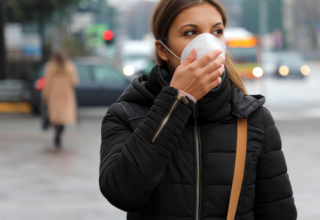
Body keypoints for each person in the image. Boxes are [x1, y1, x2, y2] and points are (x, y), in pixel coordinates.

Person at [99, 0, 297, 219]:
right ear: (163, 50)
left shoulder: (254, 119)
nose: (208, 43)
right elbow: (122, 193)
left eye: (217, 31)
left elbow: (278, 212)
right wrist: (176, 101)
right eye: (191, 32)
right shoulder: (126, 114)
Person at [42, 50, 79, 148]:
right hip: (66, 95)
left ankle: (56, 132)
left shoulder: (49, 67)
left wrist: (45, 95)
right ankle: (59, 134)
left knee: (55, 116)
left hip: (54, 94)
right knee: (63, 116)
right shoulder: (70, 67)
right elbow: (75, 82)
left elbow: (47, 83)